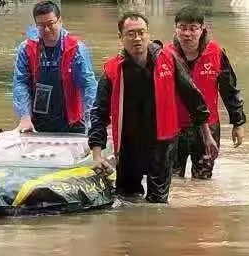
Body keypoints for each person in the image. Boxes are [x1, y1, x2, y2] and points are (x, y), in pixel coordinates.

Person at [88, 11, 208, 203]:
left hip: (162, 142)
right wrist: (97, 154)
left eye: (141, 32)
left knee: (158, 204)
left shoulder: (168, 60)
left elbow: (193, 98)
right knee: (126, 201)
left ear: (148, 34)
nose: (137, 38)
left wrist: (206, 135)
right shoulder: (112, 70)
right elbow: (99, 113)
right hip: (128, 144)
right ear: (121, 38)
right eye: (131, 33)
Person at [168, 6, 246, 179]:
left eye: (193, 28)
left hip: (208, 126)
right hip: (174, 126)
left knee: (203, 180)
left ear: (202, 29)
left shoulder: (216, 53)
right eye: (182, 28)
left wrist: (238, 122)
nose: (187, 34)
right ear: (175, 29)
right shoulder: (166, 55)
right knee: (172, 180)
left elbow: (229, 90)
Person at [12, 0, 97, 134]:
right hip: (37, 123)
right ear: (36, 25)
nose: (46, 30)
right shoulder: (26, 48)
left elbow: (88, 86)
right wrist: (24, 117)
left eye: (50, 24)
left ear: (59, 21)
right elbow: (21, 83)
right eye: (41, 25)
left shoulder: (76, 48)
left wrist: (93, 123)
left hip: (72, 122)